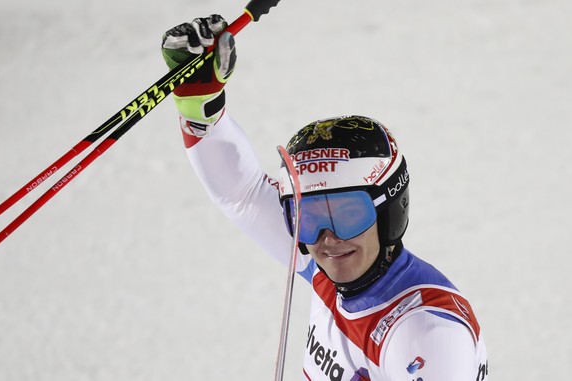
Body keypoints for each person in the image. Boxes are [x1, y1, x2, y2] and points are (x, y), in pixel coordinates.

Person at [161, 15, 489, 381]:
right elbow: (242, 194)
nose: (327, 240)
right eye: (310, 217)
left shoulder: (427, 334)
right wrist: (199, 104)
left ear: (389, 212)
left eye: (348, 214)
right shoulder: (327, 269)